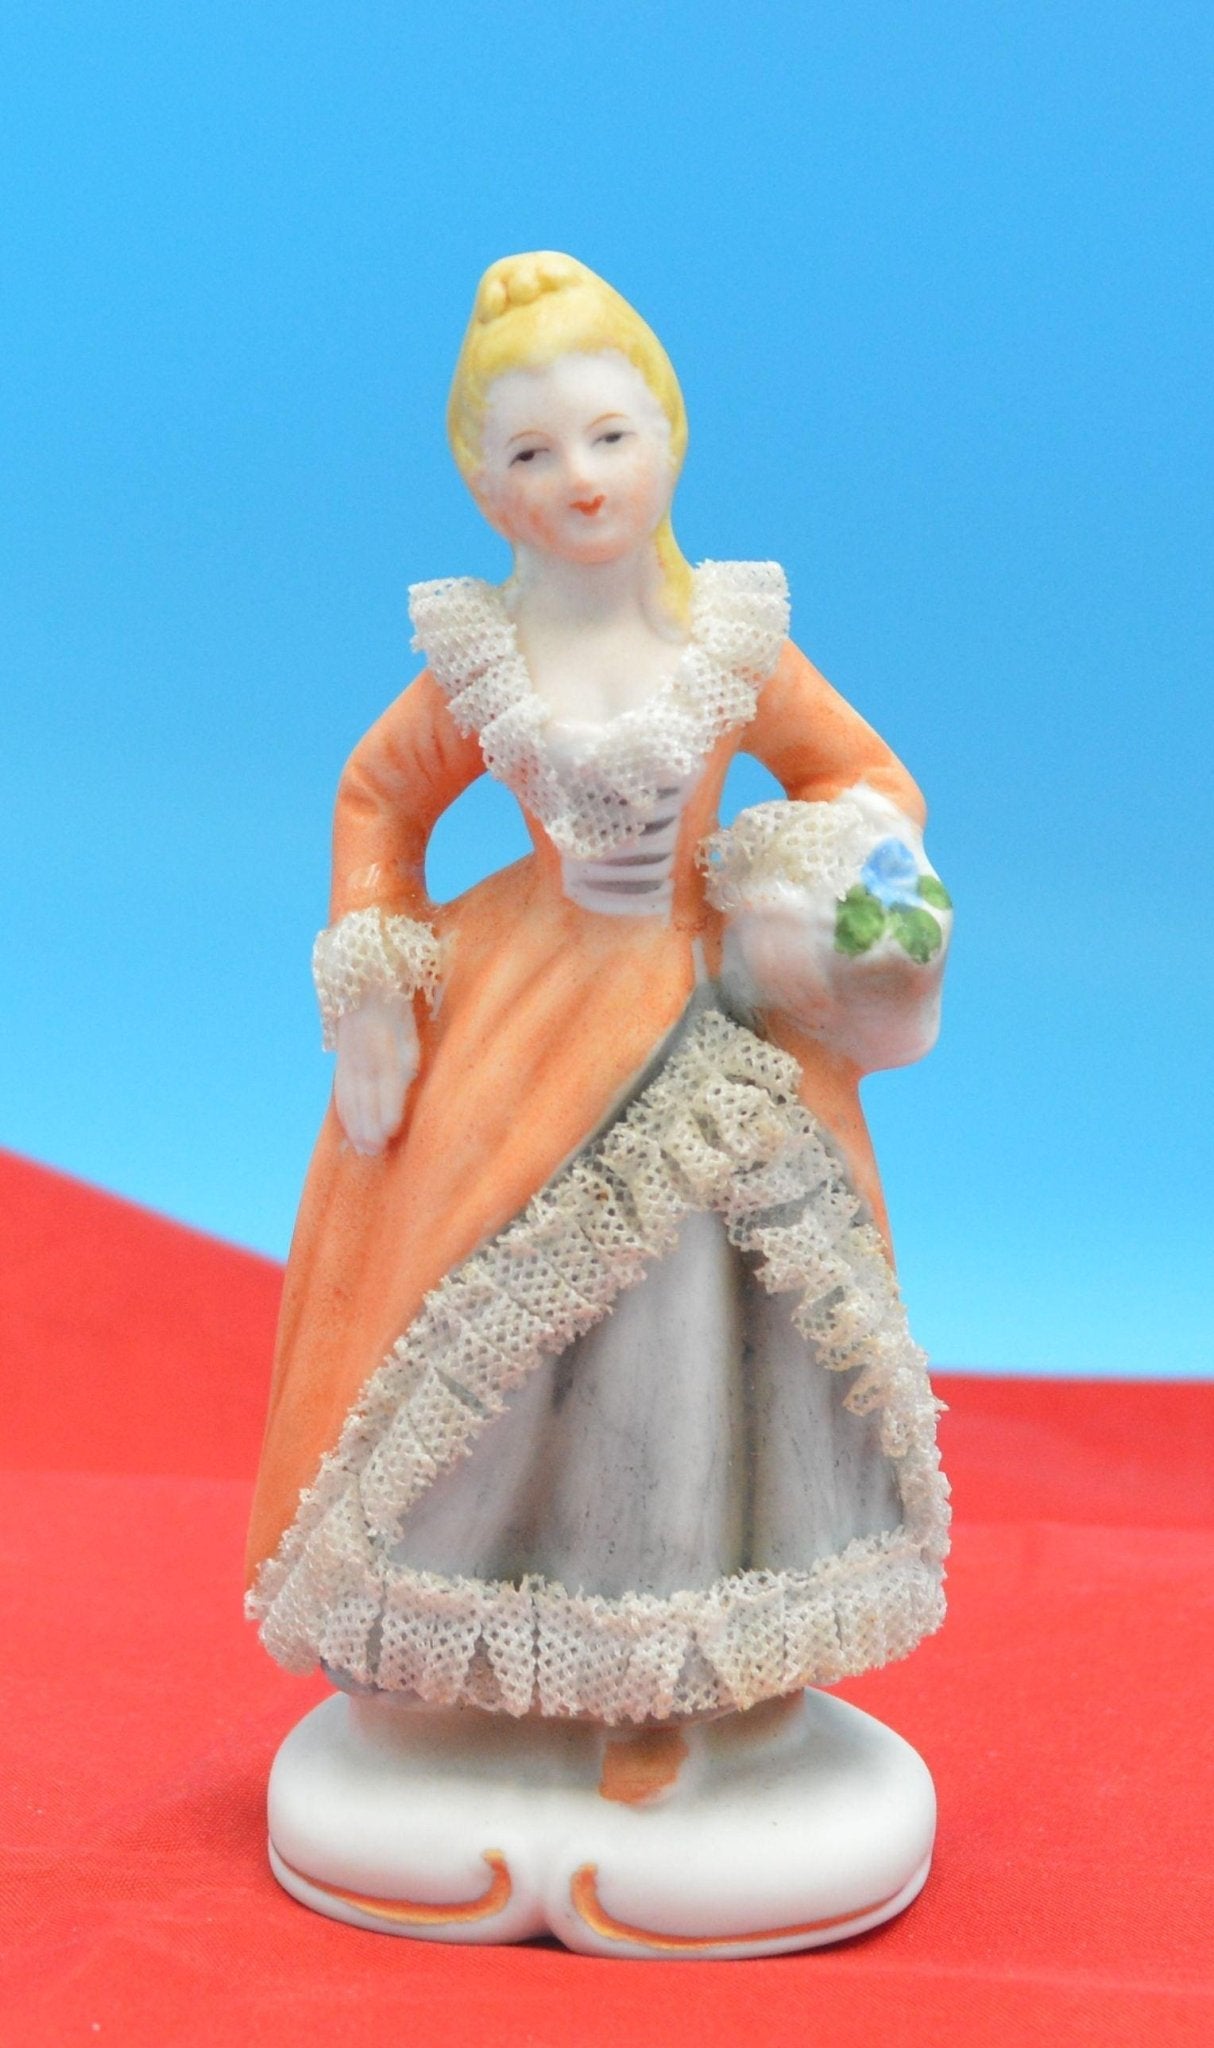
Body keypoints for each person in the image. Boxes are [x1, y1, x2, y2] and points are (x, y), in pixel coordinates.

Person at [246, 251, 951, 1744]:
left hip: (704, 1015)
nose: (578, 479)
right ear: (483, 487)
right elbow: (379, 798)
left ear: (669, 439)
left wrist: (804, 890)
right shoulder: (484, 661)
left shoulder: (728, 642)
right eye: (531, 452)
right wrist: (372, 974)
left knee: (694, 1343)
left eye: (609, 435)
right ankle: (481, 1648)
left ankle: (668, 1677)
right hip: (528, 1021)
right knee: (490, 1325)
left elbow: (864, 776)